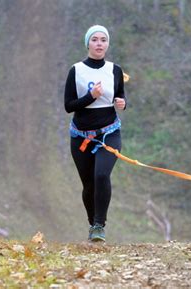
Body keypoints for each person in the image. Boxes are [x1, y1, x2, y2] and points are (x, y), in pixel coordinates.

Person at [64, 25, 127, 242]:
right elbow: (68, 105)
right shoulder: (76, 70)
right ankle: (93, 224)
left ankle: (100, 224)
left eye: (103, 40)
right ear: (88, 44)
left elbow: (120, 96)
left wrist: (122, 103)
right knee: (89, 184)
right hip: (81, 136)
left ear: (107, 44)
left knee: (101, 175)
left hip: (109, 132)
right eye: (95, 40)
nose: (99, 44)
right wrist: (90, 96)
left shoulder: (115, 70)